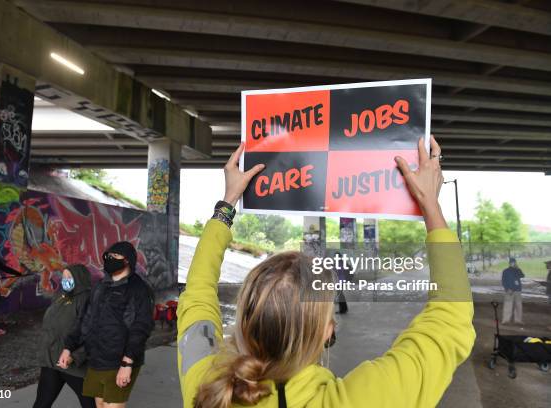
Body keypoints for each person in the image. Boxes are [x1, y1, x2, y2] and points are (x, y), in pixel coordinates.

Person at [177, 137, 476, 408]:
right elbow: (449, 322)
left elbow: (197, 294)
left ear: (244, 322)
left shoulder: (204, 385)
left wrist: (227, 205)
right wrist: (429, 203)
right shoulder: (361, 399)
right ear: (327, 331)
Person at [59, 242, 155, 408]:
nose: (110, 260)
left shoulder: (138, 289)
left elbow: (141, 328)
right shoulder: (99, 287)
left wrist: (127, 363)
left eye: (115, 257)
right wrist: (69, 347)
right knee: (100, 405)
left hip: (119, 361)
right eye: (108, 257)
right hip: (96, 359)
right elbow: (85, 320)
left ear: (127, 261)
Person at [33, 264, 95, 408]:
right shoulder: (60, 296)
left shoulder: (88, 299)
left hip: (74, 365)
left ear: (79, 278)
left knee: (90, 405)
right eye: (64, 277)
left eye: (69, 277)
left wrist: (75, 356)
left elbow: (93, 335)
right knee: (41, 403)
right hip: (52, 362)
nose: (65, 280)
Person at [501, 257, 524, 325]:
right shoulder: (505, 271)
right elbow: (503, 281)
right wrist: (507, 289)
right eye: (512, 262)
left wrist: (518, 268)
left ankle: (518, 320)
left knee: (518, 305)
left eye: (514, 262)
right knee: (508, 305)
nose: (513, 263)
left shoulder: (517, 270)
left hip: (517, 290)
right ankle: (505, 320)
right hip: (509, 290)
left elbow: (522, 275)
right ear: (509, 263)